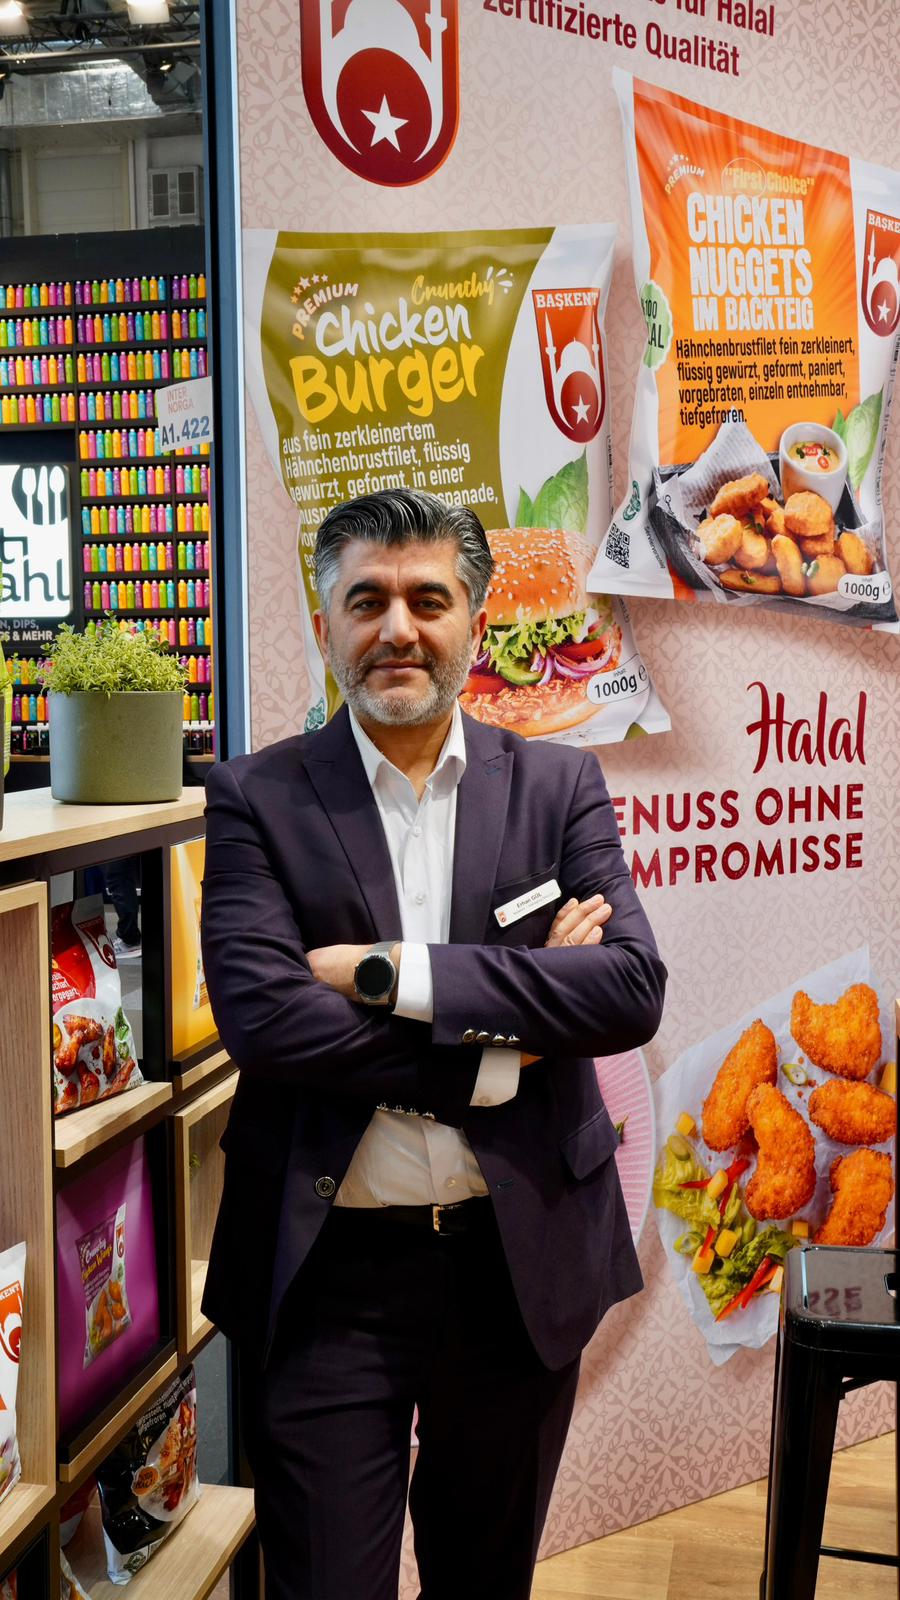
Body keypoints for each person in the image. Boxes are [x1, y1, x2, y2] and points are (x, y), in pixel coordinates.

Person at [200, 489, 666, 1600]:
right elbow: (265, 1018)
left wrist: (391, 974)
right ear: (327, 622)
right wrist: (505, 1048)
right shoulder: (255, 797)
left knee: (483, 1581)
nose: (397, 628)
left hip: (517, 1266)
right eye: (367, 600)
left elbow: (627, 988)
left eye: (427, 599)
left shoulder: (558, 784)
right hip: (327, 1277)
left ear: (477, 620)